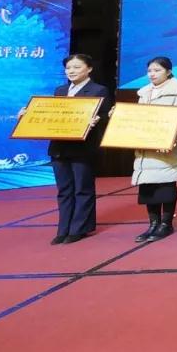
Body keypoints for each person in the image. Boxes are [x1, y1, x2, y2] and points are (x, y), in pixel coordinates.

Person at [42, 54, 112, 245]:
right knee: (64, 190)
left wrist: (97, 120)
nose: (71, 71)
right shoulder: (60, 90)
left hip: (83, 148)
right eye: (68, 68)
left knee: (83, 188)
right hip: (59, 147)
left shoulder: (99, 90)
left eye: (76, 67)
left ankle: (80, 228)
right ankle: (63, 229)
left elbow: (106, 117)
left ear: (89, 69)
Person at [131, 57, 177, 243]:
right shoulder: (144, 93)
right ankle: (153, 224)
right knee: (148, 187)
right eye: (150, 71)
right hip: (146, 148)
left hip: (167, 150)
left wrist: (172, 141)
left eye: (157, 70)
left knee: (166, 186)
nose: (152, 74)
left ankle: (166, 224)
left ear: (168, 72)